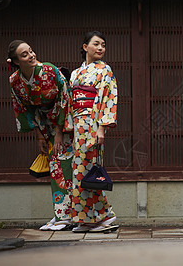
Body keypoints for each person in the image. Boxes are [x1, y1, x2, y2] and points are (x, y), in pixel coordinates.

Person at [7, 40, 74, 231]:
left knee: (63, 166)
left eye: (31, 51)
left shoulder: (50, 71)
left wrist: (60, 131)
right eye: (25, 55)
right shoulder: (15, 81)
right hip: (44, 124)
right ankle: (61, 214)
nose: (32, 55)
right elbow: (23, 108)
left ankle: (64, 216)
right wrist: (39, 135)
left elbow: (65, 96)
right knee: (57, 167)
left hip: (65, 122)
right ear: (16, 61)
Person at [65, 31, 119, 233]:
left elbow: (108, 97)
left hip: (92, 123)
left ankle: (98, 216)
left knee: (87, 170)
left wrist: (101, 128)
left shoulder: (104, 70)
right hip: (78, 123)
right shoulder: (76, 73)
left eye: (103, 45)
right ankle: (93, 217)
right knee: (81, 171)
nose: (100, 48)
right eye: (96, 44)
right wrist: (69, 127)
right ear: (84, 46)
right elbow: (70, 101)